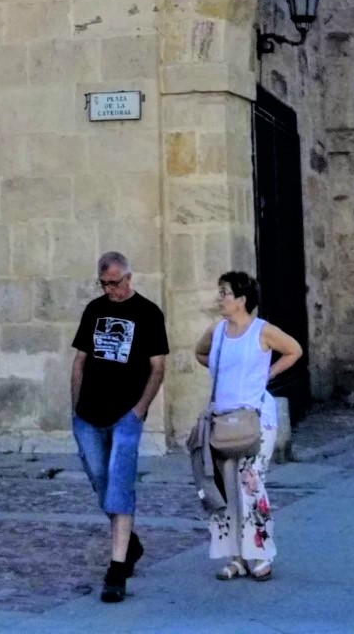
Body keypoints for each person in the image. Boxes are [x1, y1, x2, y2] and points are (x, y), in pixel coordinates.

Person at [192, 270, 303, 583]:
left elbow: (294, 350)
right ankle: (235, 557)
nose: (220, 298)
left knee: (250, 483)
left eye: (225, 292)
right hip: (222, 419)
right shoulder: (216, 332)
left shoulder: (262, 331)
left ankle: (260, 553)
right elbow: (200, 353)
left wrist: (266, 374)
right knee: (225, 489)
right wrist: (220, 369)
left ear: (241, 299)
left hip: (255, 418)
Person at [70, 251, 168, 605]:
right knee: (101, 482)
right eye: (104, 283)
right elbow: (80, 359)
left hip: (126, 415)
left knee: (120, 485)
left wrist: (140, 409)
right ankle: (131, 543)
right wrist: (75, 407)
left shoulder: (148, 313)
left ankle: (116, 571)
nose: (110, 289)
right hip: (89, 415)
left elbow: (157, 367)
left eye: (114, 282)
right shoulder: (94, 310)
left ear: (128, 278)